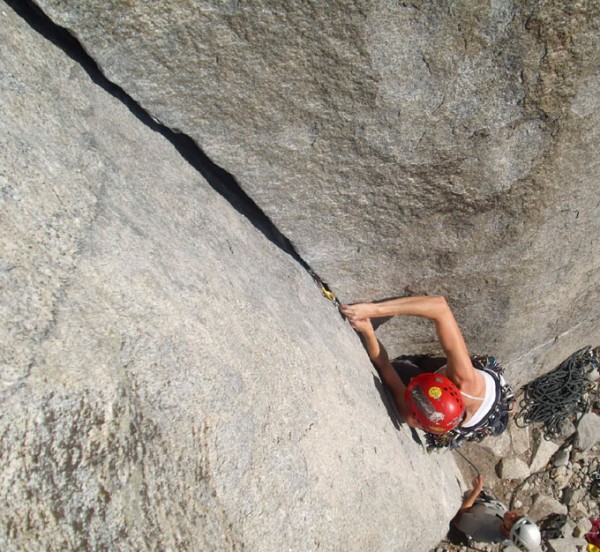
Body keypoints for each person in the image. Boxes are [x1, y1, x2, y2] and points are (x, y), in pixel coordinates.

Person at [339, 295, 514, 447]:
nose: (414, 377)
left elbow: (385, 365)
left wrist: (369, 332)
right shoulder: (464, 377)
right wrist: (372, 311)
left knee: (399, 368)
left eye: (416, 387)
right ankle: (422, 362)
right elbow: (439, 307)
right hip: (480, 388)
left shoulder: (414, 416)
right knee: (426, 362)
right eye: (419, 380)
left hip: (470, 419)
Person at [452, 474, 541, 551]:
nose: (513, 514)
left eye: (513, 520)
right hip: (482, 505)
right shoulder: (507, 529)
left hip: (465, 508)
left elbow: (457, 518)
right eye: (519, 516)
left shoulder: (483, 528)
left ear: (507, 533)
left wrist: (476, 492)